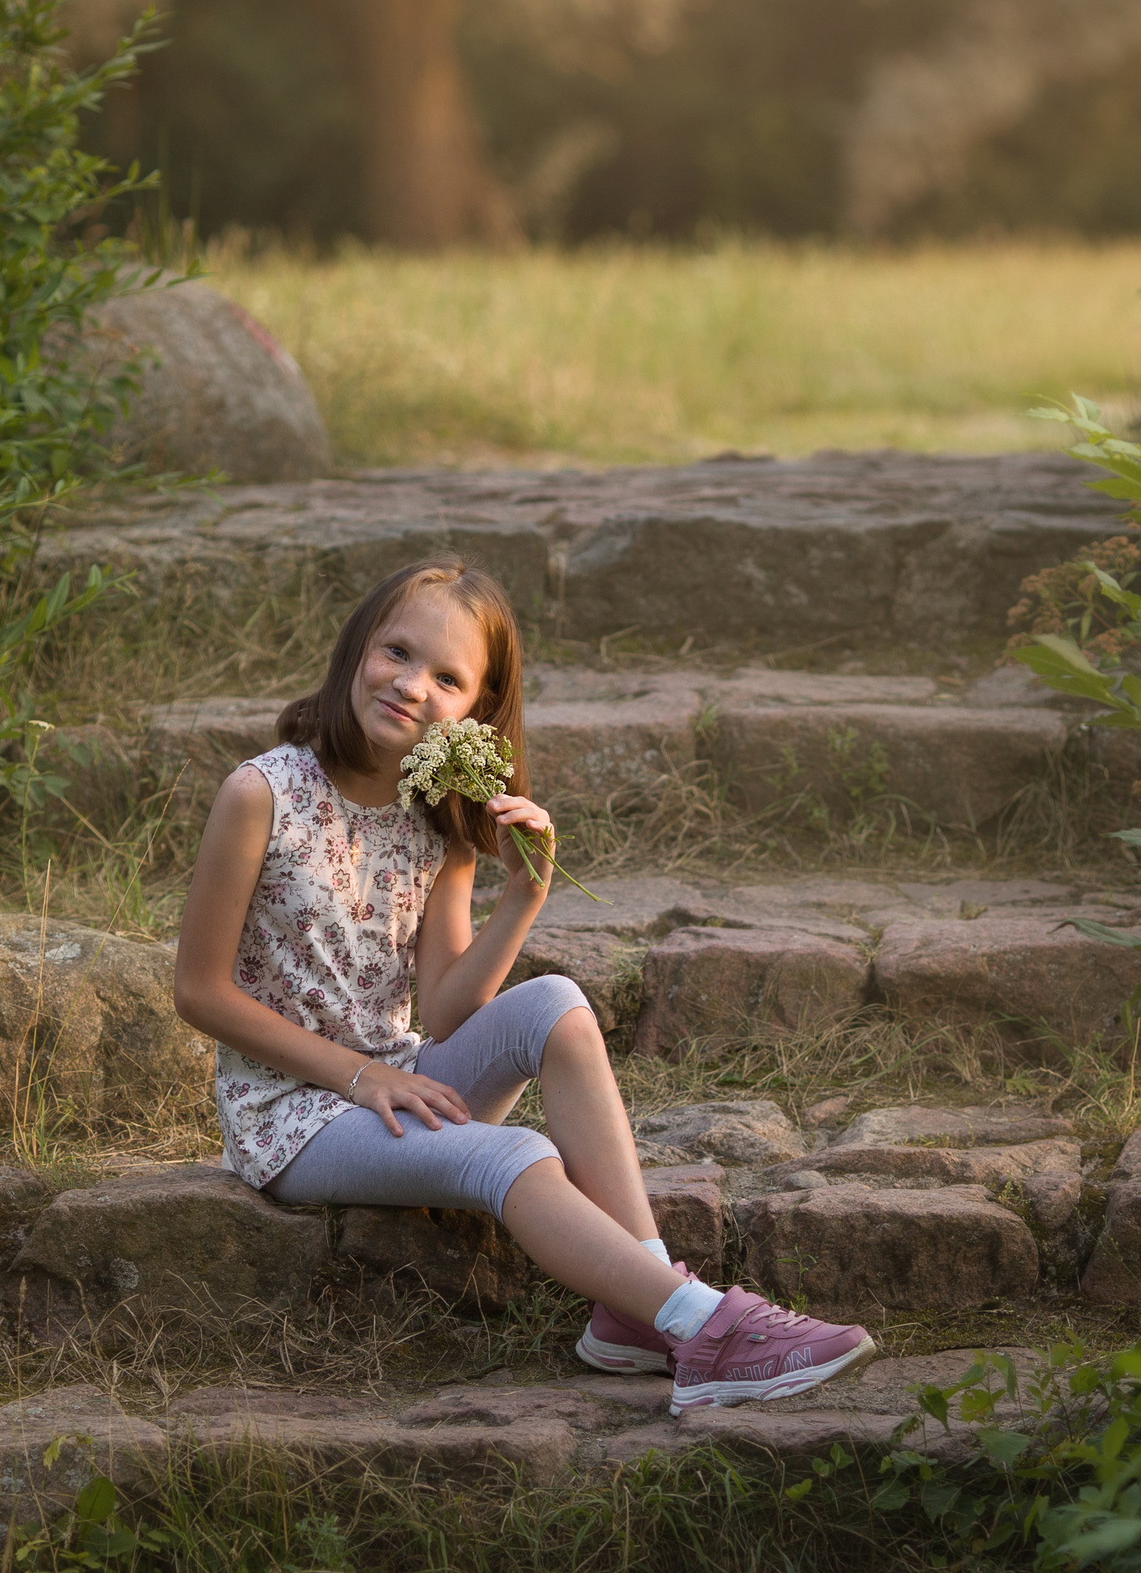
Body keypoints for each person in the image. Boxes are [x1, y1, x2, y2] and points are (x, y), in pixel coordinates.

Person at [172, 557, 877, 1415]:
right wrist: (366, 1076)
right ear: (357, 645)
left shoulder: (439, 819)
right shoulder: (262, 793)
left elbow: (445, 1011)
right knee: (519, 1153)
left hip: (401, 1080)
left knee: (560, 1004)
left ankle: (632, 1310)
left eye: (447, 678)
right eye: (396, 651)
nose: (410, 685)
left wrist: (525, 893)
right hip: (294, 1116)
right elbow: (199, 991)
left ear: (475, 710)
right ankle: (703, 1322)